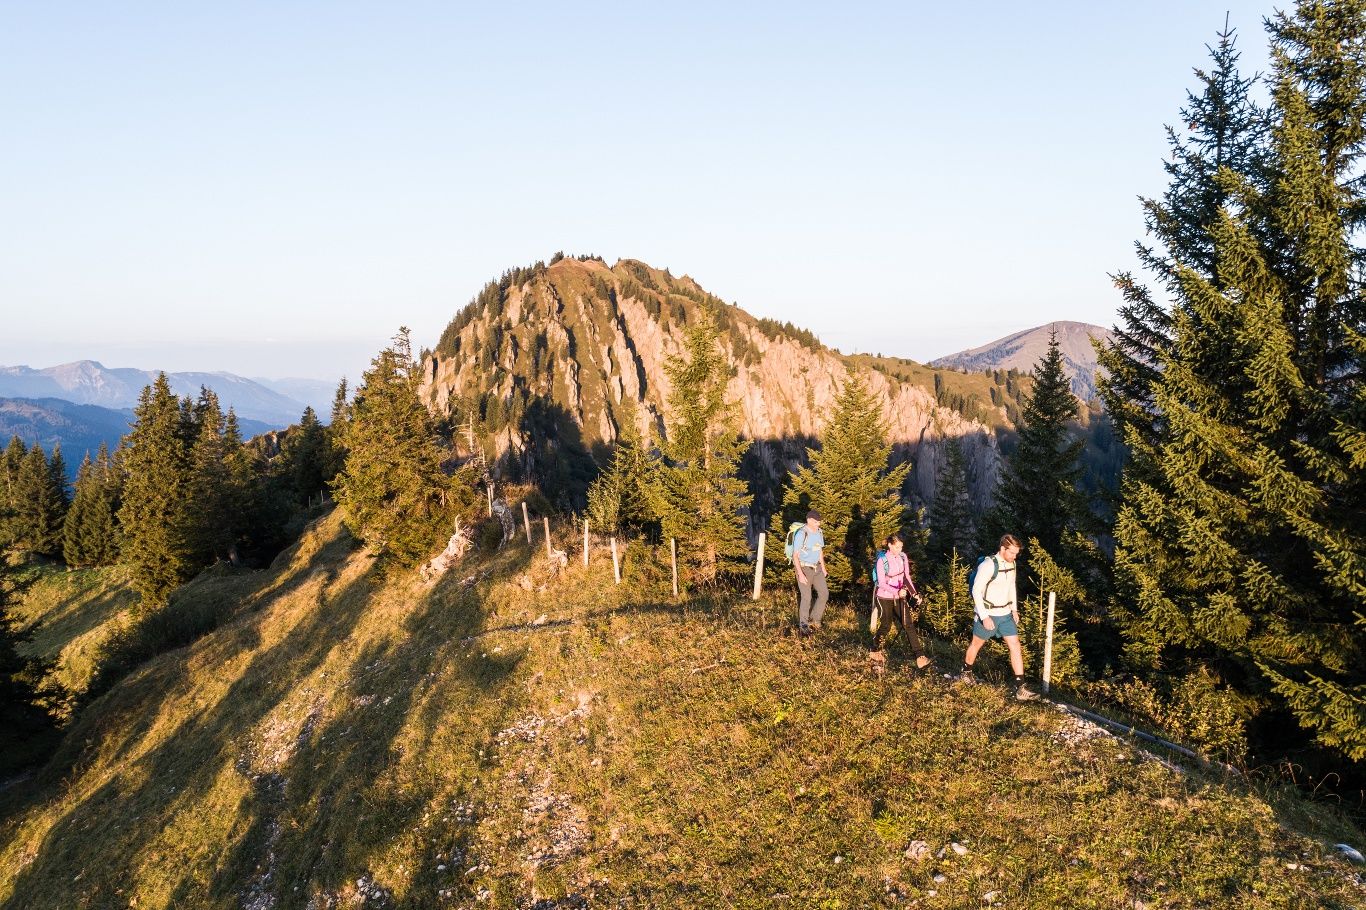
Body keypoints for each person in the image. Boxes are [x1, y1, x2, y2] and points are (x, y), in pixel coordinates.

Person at [959, 534, 1038, 701]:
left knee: (1015, 646)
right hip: (988, 614)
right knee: (976, 644)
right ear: (1003, 548)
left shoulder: (1012, 564)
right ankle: (966, 672)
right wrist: (984, 616)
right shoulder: (988, 565)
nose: (1014, 556)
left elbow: (1011, 586)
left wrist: (1014, 609)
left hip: (1005, 614)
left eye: (1016, 553)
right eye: (1012, 553)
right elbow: (976, 591)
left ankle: (1020, 688)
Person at [868, 533, 931, 671]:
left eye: (901, 547)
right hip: (884, 597)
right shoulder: (882, 561)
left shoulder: (903, 557)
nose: (899, 550)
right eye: (897, 547)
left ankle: (920, 657)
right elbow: (881, 583)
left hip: (899, 597)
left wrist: (914, 594)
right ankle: (874, 650)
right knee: (886, 625)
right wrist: (897, 592)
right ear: (890, 545)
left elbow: (906, 577)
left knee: (908, 624)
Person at [792, 510, 828, 636]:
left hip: (817, 569)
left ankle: (815, 620)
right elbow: (795, 556)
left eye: (819, 522)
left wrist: (823, 568)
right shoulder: (802, 534)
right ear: (809, 520)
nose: (818, 524)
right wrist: (800, 574)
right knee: (806, 597)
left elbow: (820, 551)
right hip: (804, 568)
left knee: (824, 594)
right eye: (816, 522)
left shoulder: (819, 532)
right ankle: (803, 626)